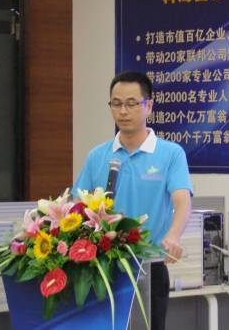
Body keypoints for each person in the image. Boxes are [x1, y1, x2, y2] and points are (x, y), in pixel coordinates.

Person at [73, 70, 192, 330]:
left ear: (149, 106)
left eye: (131, 103)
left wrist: (173, 236)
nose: (123, 111)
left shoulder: (170, 154)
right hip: (102, 267)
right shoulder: (97, 156)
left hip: (149, 267)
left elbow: (182, 200)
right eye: (116, 104)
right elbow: (77, 206)